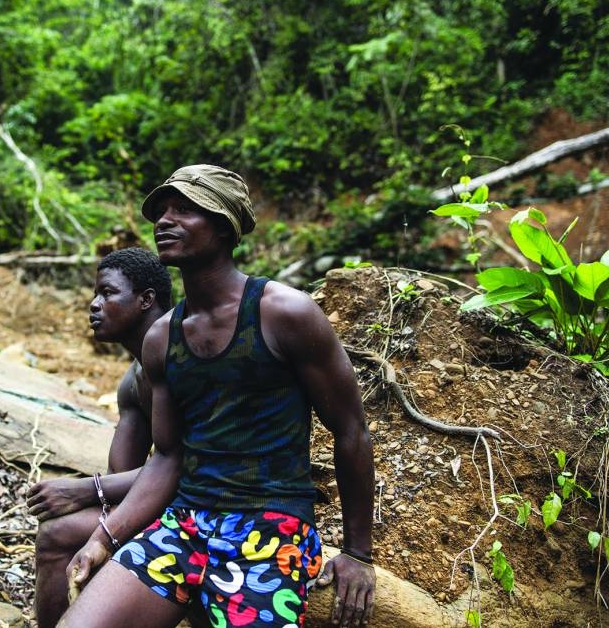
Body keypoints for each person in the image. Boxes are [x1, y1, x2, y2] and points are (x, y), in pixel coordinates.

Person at [60, 165, 376, 628]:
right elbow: (167, 457)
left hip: (271, 527)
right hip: (184, 525)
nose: (165, 220)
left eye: (185, 209)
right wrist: (105, 537)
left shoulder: (284, 313)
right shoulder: (162, 339)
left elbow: (351, 430)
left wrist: (356, 553)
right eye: (162, 211)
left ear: (225, 225)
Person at [26, 247, 172, 628]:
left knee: (62, 528)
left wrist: (83, 490)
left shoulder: (183, 356)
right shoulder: (133, 381)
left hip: (215, 501)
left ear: (146, 300)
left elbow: (189, 463)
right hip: (159, 499)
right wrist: (93, 494)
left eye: (107, 294)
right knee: (57, 532)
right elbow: (120, 475)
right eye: (96, 294)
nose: (94, 305)